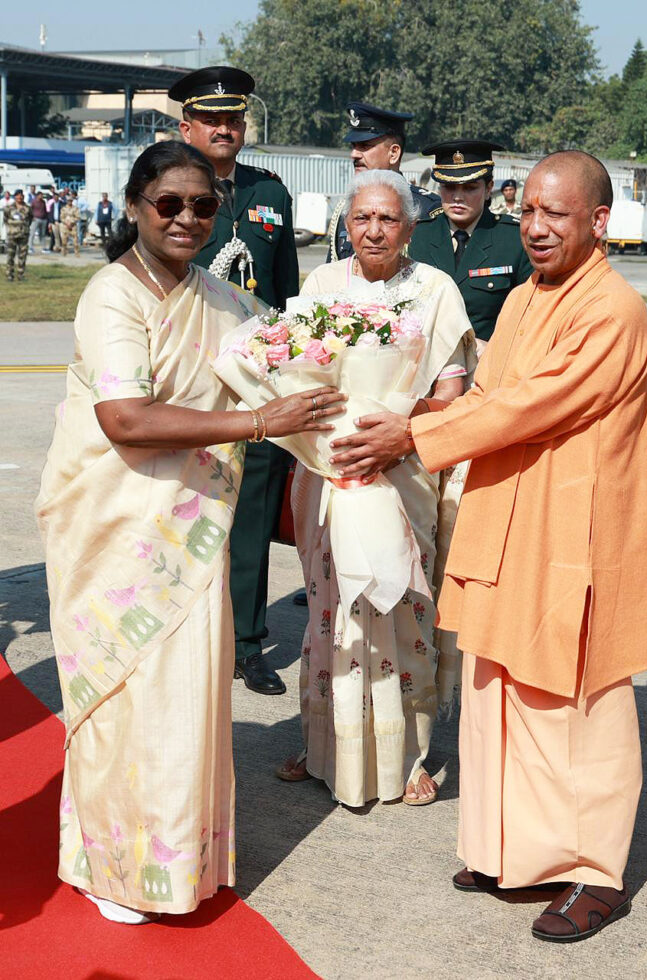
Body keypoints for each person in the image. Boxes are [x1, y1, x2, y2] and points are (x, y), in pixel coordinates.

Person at [328, 151, 647, 941]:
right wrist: (403, 413)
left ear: (599, 222)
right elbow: (487, 396)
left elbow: (534, 406)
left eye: (558, 215)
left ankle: (594, 871)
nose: (538, 229)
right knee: (495, 699)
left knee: (576, 707)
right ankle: (511, 852)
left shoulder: (612, 309)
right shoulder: (517, 301)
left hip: (572, 533)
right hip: (505, 523)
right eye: (530, 214)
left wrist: (415, 434)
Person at [34, 141, 345, 926]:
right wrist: (255, 421)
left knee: (183, 701)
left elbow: (286, 361)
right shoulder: (113, 294)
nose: (186, 218)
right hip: (114, 526)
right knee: (123, 696)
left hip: (193, 529)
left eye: (202, 205)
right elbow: (126, 419)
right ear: (137, 205)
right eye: (169, 203)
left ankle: (180, 861)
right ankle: (112, 867)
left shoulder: (221, 298)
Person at [277, 168, 476, 807]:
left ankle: (407, 754)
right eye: (362, 218)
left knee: (401, 606)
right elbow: (295, 376)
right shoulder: (321, 284)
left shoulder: (435, 289)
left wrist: (400, 432)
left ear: (411, 228)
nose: (374, 230)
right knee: (331, 612)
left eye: (388, 219)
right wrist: (334, 438)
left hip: (405, 470)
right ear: (345, 224)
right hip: (330, 467)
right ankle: (321, 744)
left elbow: (451, 390)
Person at [171, 65, 300, 696]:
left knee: (251, 514)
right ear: (185, 124)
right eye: (211, 118)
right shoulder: (165, 187)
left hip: (256, 381)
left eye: (234, 118)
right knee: (183, 510)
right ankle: (181, 633)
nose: (225, 129)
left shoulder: (270, 191)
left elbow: (287, 292)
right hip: (189, 380)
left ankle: (247, 643)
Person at [408, 140, 532, 342]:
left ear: (489, 188)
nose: (458, 197)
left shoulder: (513, 240)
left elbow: (530, 315)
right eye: (449, 187)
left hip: (488, 364)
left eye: (470, 188)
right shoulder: (416, 236)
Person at [326, 102, 441, 262]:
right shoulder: (348, 207)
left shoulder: (426, 209)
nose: (354, 154)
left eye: (365, 146)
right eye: (353, 146)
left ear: (393, 153)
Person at [4, 189, 31, 282]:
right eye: (18, 195)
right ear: (15, 197)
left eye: (21, 195)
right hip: (12, 235)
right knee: (10, 256)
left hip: (23, 235)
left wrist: (24, 227)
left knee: (22, 256)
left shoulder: (27, 208)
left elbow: (30, 219)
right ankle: (9, 275)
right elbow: (5, 219)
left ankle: (21, 275)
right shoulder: (9, 208)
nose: (20, 197)